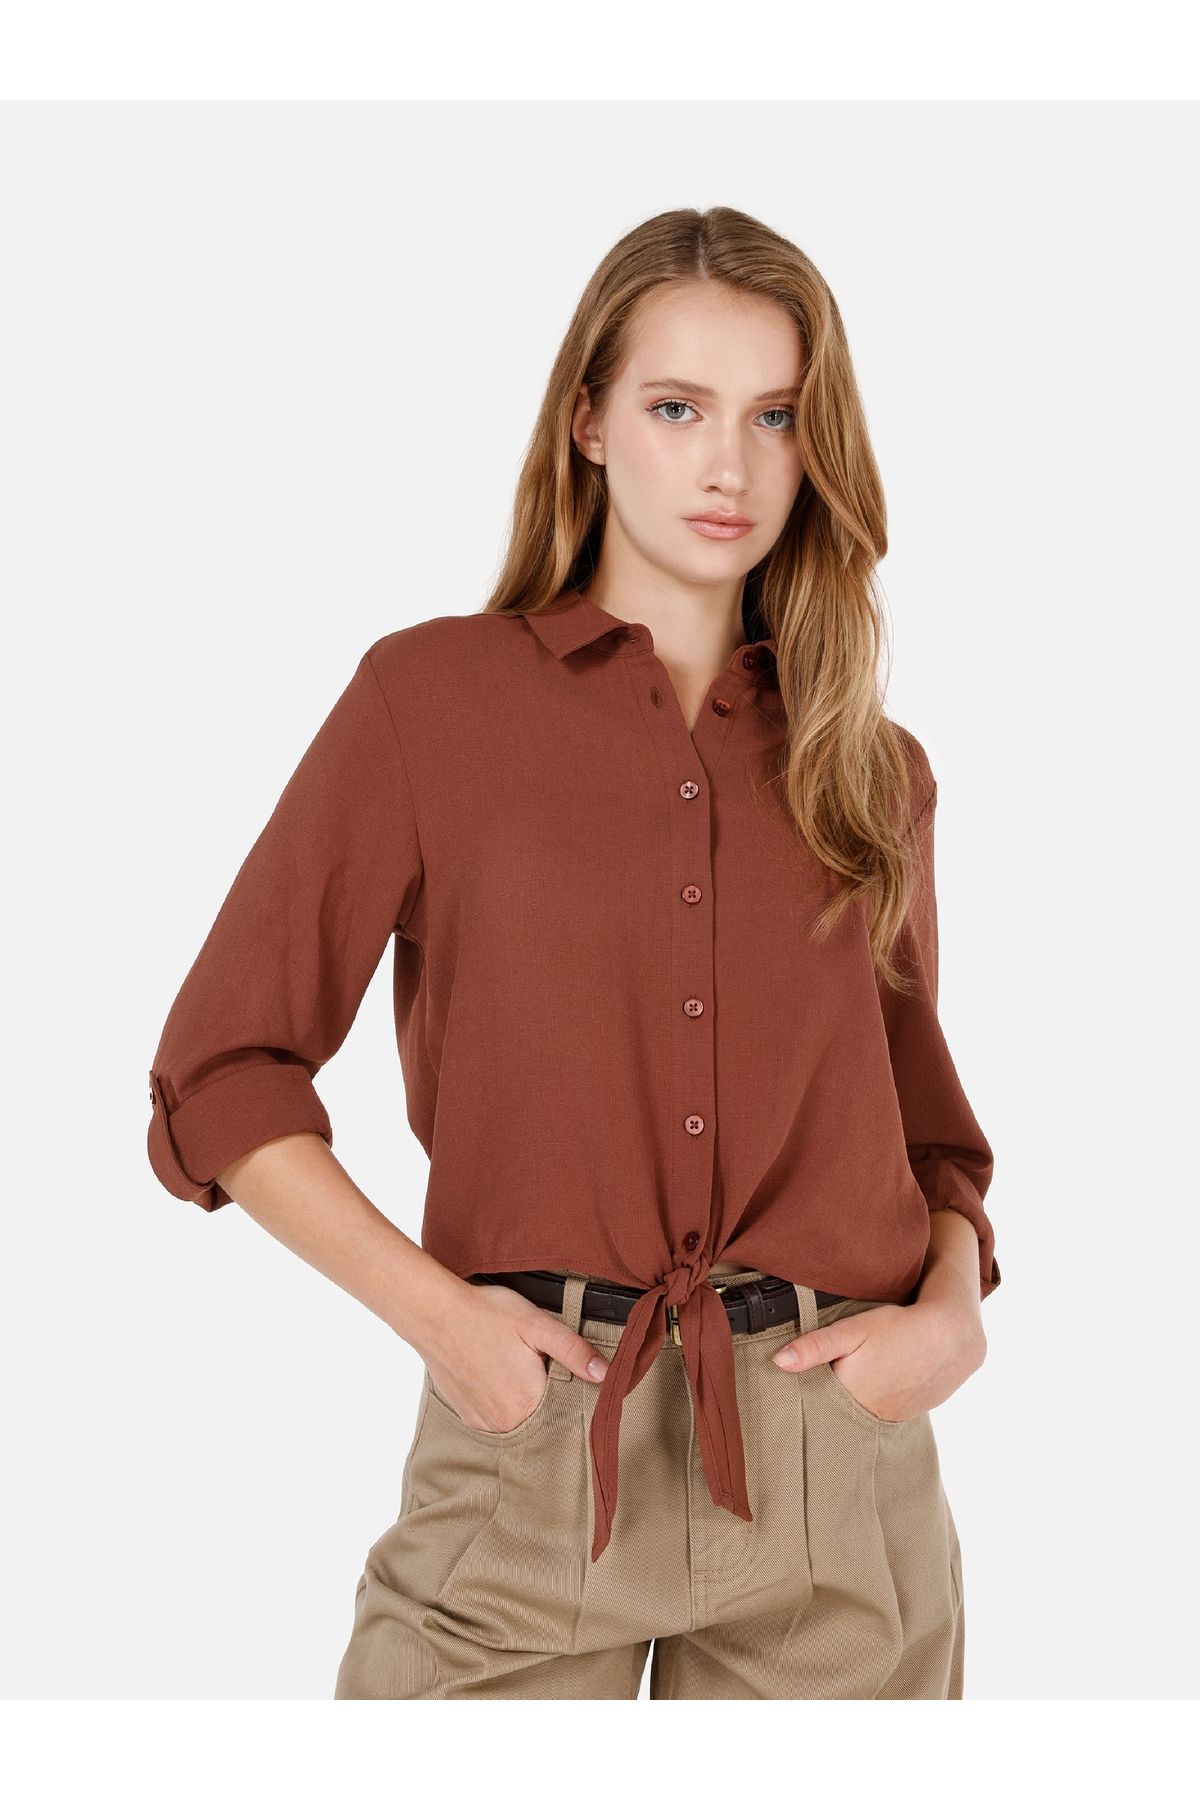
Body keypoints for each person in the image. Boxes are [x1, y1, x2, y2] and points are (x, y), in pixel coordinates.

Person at [145, 205, 1000, 1700]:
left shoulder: (873, 768)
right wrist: (440, 1320)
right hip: (537, 1431)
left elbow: (928, 1134)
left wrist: (951, 1320)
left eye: (776, 416)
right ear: (589, 423)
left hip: (836, 1454)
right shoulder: (429, 702)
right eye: (678, 408)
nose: (730, 465)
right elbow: (223, 1072)